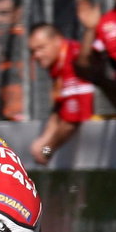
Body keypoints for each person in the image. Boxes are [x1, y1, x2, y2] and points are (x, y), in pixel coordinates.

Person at [26, 22, 94, 165]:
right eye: (33, 51)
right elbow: (60, 108)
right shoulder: (58, 65)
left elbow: (71, 122)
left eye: (41, 48)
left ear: (57, 41)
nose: (36, 55)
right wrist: (45, 137)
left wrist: (46, 150)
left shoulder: (72, 60)